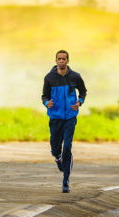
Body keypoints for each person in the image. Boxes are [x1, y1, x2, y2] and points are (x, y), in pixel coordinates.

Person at [41, 50, 87, 193]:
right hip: (55, 117)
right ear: (56, 61)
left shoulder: (75, 77)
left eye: (64, 59)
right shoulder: (49, 78)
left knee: (67, 147)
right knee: (56, 147)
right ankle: (57, 157)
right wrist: (46, 103)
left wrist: (79, 102)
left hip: (70, 118)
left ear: (68, 61)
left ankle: (65, 180)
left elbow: (83, 91)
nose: (61, 61)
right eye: (59, 59)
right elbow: (44, 96)